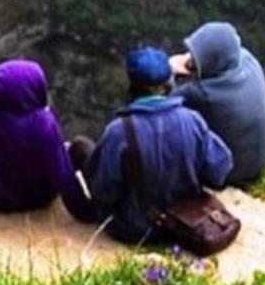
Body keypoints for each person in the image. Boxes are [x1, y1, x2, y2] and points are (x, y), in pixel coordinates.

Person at [86, 47, 233, 245]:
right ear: (168, 84)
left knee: (81, 148)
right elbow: (219, 171)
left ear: (131, 86)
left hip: (134, 229)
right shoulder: (192, 120)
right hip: (186, 223)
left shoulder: (118, 132)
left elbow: (104, 191)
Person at [0, 59, 98, 234]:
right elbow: (63, 176)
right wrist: (87, 213)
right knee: (76, 147)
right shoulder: (43, 123)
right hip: (40, 198)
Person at [170, 21, 265, 185]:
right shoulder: (250, 61)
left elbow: (163, 107)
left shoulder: (202, 94)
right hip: (259, 163)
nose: (189, 58)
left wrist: (171, 70)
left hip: (229, 174)